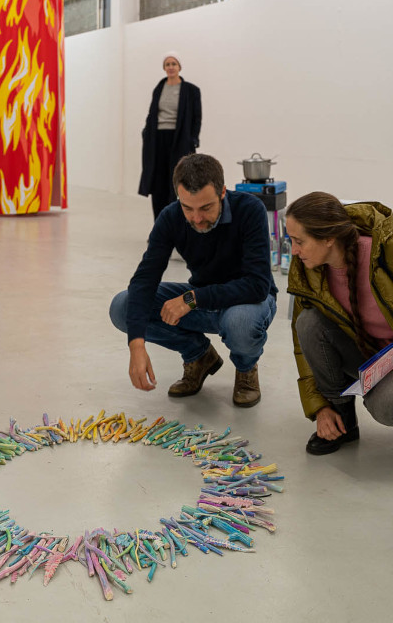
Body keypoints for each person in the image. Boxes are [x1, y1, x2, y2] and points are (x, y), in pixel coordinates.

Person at [285, 192, 393, 455]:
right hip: (373, 356)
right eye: (291, 240)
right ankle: (341, 419)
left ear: (328, 238)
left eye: (299, 241)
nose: (294, 250)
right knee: (308, 324)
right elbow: (305, 347)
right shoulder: (310, 271)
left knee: (386, 405)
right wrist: (321, 407)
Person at [110, 153, 276, 407]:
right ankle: (198, 356)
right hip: (202, 298)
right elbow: (145, 279)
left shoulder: (250, 210)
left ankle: (246, 369)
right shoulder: (171, 216)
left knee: (240, 322)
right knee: (122, 306)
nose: (197, 218)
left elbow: (256, 285)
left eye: (206, 208)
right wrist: (136, 344)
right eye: (188, 208)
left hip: (248, 301)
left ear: (222, 192)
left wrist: (192, 298)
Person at [138, 53, 201, 219]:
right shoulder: (159, 88)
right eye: (167, 64)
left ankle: (177, 226)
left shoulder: (191, 90)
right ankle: (160, 226)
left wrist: (193, 139)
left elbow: (197, 117)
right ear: (164, 68)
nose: (171, 67)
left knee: (178, 184)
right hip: (157, 140)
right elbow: (152, 114)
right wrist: (146, 132)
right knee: (158, 184)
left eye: (174, 64)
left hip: (179, 141)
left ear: (179, 67)